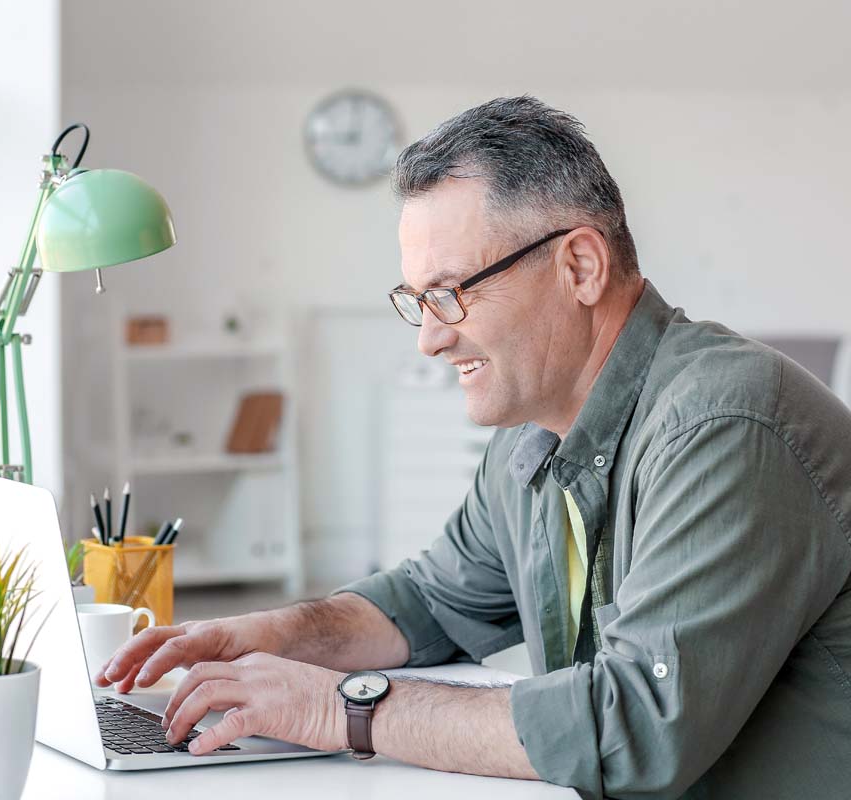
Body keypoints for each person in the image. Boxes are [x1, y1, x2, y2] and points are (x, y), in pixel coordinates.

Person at [96, 96, 851, 799]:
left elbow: (636, 725)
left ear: (580, 266)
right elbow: (430, 602)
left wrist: (342, 708)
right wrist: (274, 637)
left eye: (451, 292)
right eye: (417, 301)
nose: (429, 338)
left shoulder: (724, 426)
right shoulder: (534, 439)